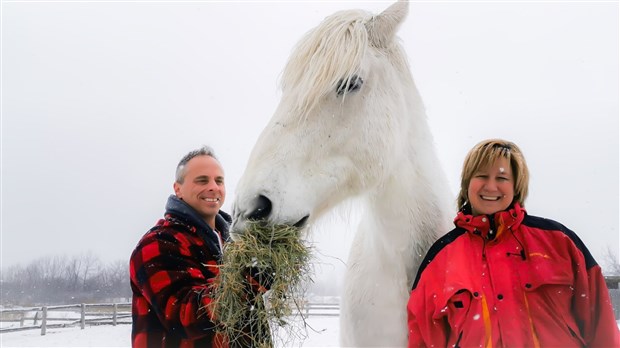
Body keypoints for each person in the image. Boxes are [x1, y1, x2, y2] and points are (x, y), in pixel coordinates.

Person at [407, 139, 619, 347]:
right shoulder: (441, 259)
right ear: (467, 184)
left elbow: (602, 328)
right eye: (481, 176)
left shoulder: (560, 242)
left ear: (517, 185)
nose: (491, 187)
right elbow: (423, 339)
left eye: (502, 178)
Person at [130, 146, 267, 348]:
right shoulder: (158, 244)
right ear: (178, 189)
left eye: (219, 181)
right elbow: (185, 317)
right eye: (202, 180)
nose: (213, 187)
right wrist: (250, 280)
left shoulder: (236, 244)